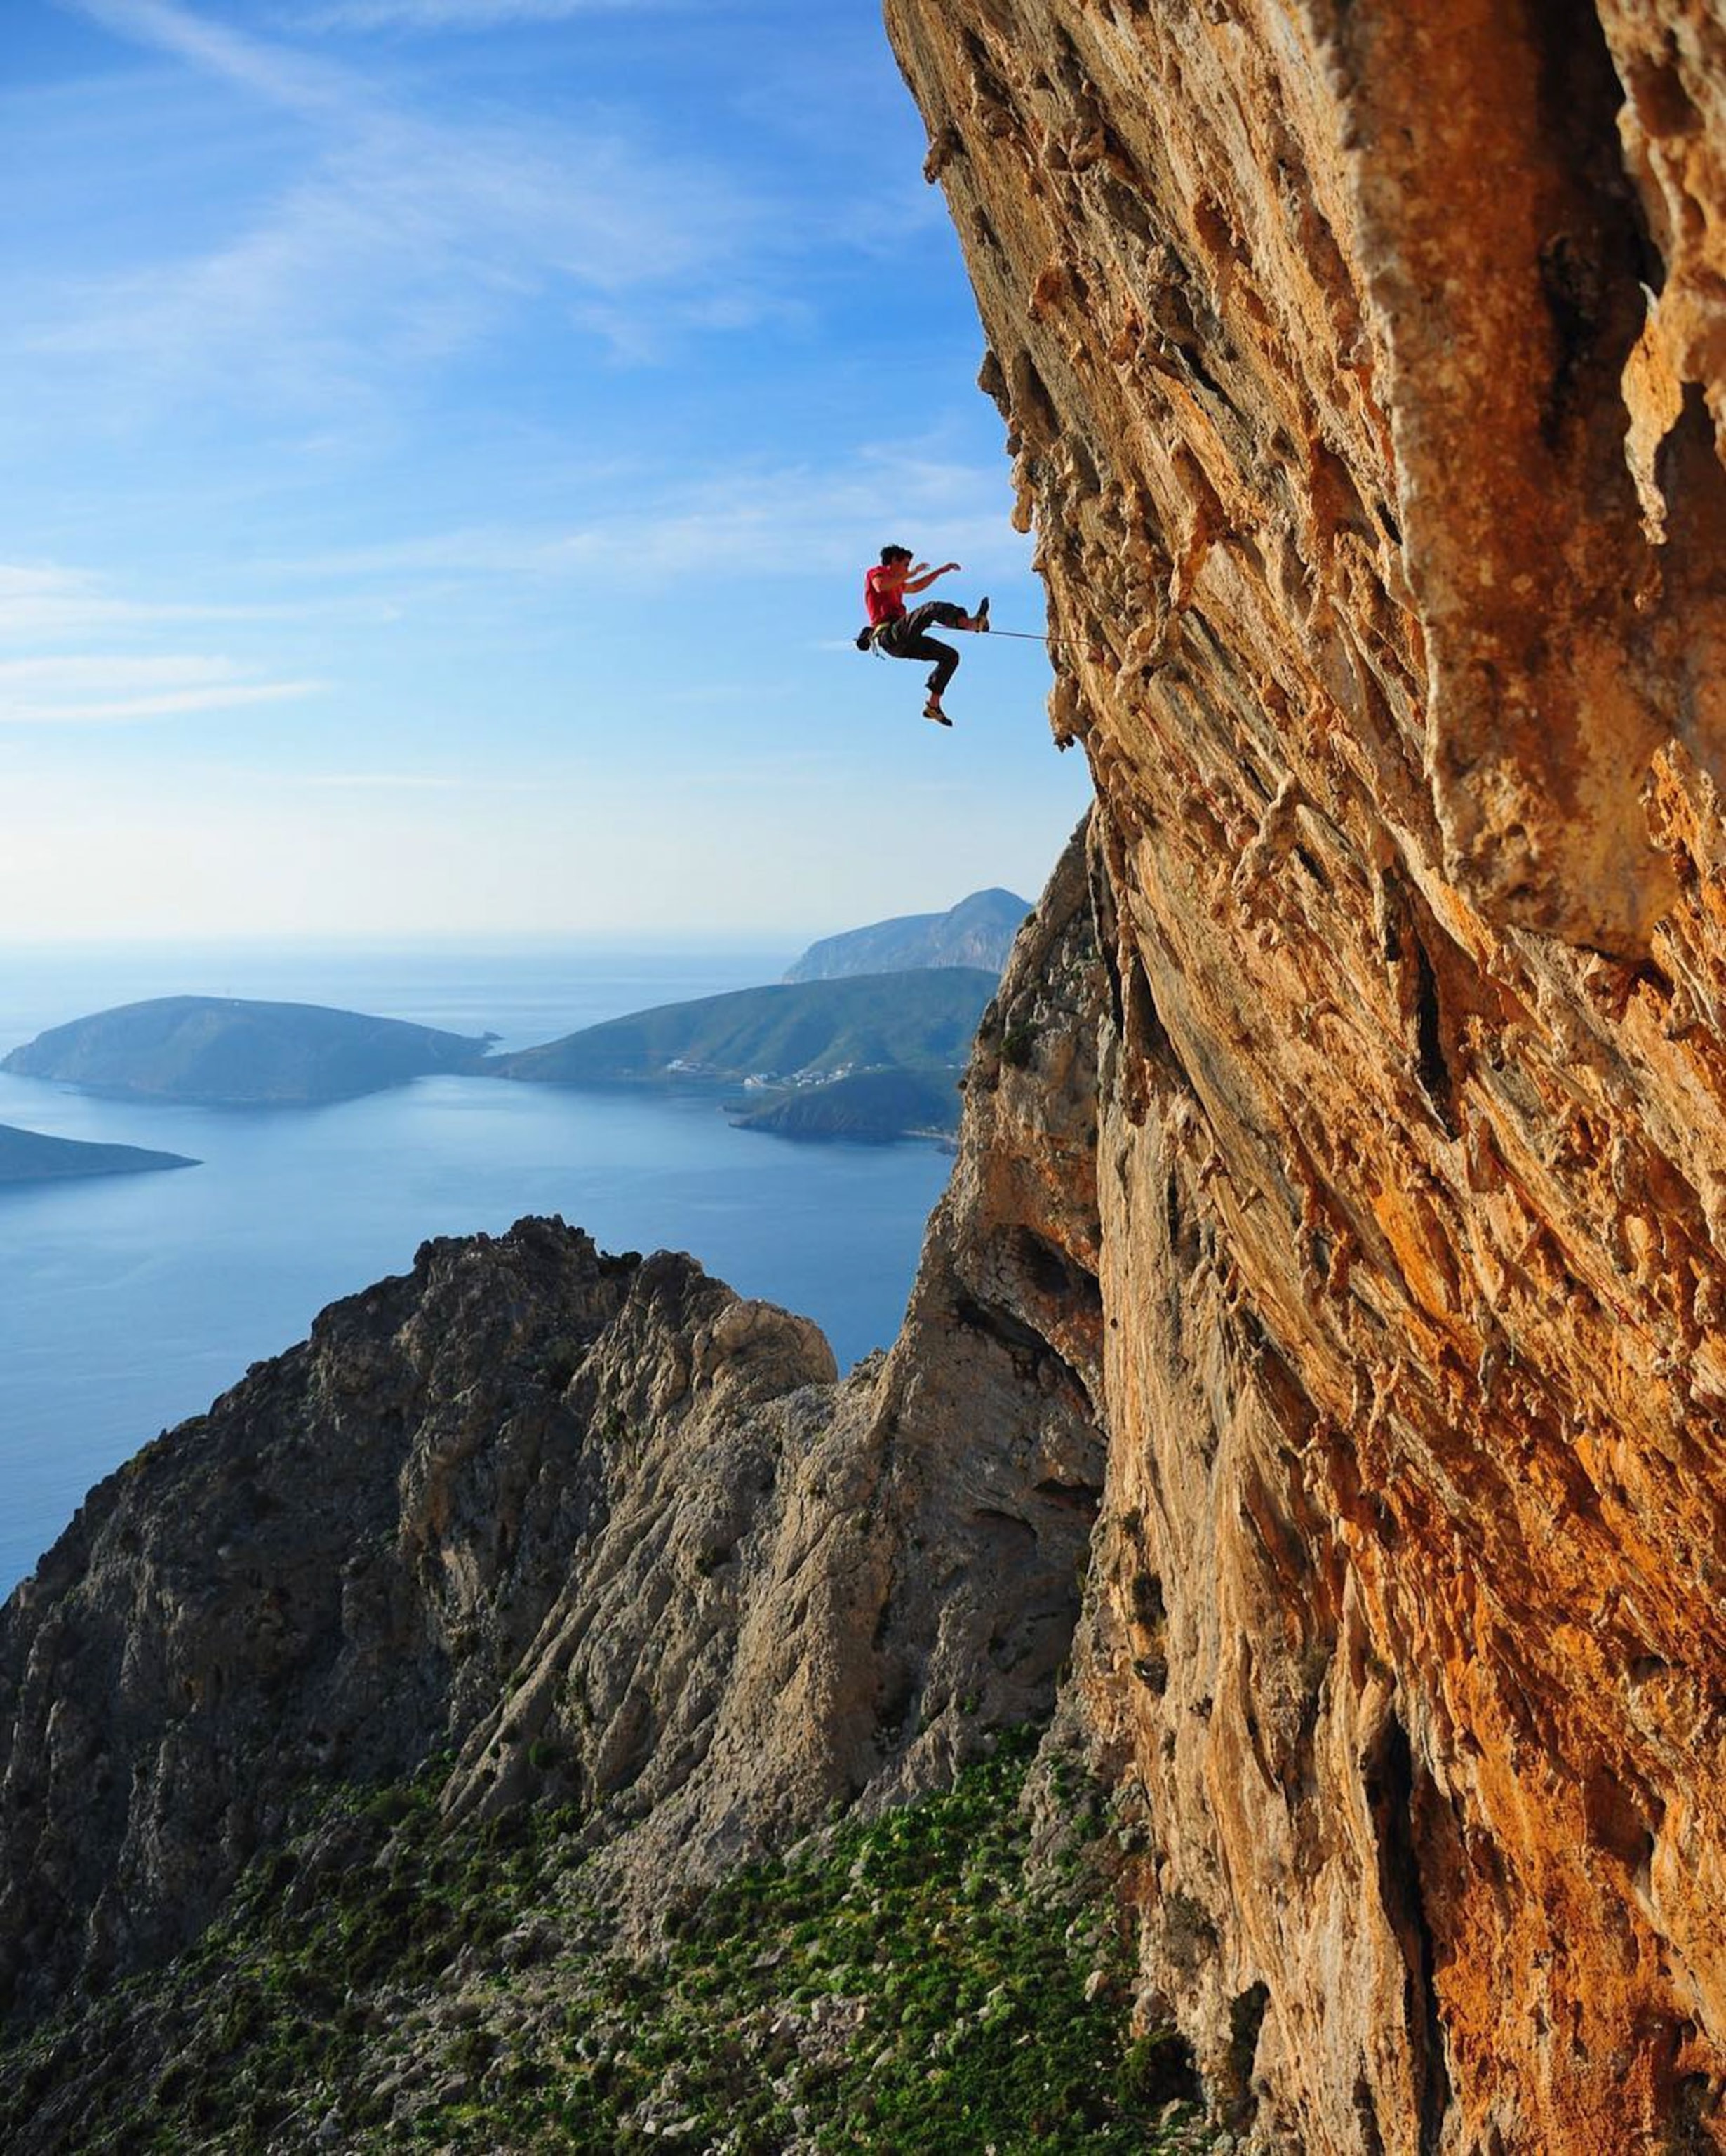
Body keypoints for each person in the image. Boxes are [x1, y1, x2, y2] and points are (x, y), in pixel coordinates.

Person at [858, 545, 989, 725]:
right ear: (894, 561)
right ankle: (972, 624)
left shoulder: (898, 582)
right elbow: (880, 587)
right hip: (889, 635)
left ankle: (933, 706)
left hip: (903, 642)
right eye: (905, 564)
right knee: (932, 609)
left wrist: (940, 571)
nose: (906, 568)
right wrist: (910, 573)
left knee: (951, 656)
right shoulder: (876, 573)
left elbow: (916, 586)